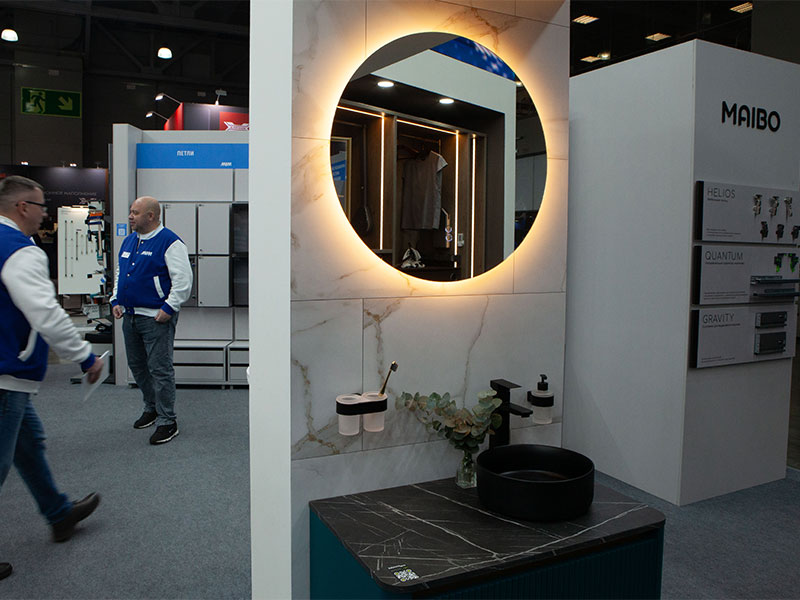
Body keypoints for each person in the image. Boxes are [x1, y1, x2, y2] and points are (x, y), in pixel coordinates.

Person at [0, 175, 105, 581]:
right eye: (42, 207)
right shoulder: (20, 251)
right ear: (22, 207)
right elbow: (46, 314)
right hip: (7, 375)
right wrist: (85, 357)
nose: (46, 215)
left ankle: (58, 514)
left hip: (11, 377)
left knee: (29, 445)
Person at [111, 196, 192, 445]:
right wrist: (115, 299)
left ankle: (168, 421)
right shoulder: (129, 240)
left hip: (156, 318)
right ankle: (152, 407)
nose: (130, 216)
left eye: (135, 212)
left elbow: (183, 280)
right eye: (130, 211)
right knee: (137, 366)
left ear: (151, 216)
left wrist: (169, 307)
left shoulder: (170, 242)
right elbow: (121, 272)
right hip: (130, 315)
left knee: (160, 369)